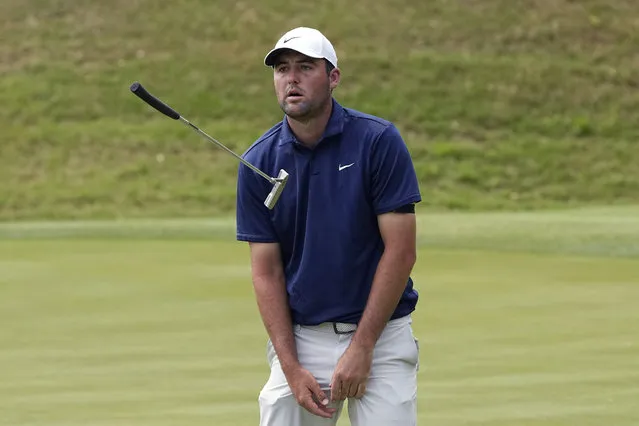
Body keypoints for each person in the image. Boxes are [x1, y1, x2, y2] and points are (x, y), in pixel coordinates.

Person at [235, 26, 422, 426]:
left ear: (333, 77)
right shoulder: (258, 161)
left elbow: (401, 250)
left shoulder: (377, 141)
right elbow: (265, 272)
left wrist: (363, 346)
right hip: (302, 342)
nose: (292, 78)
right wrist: (290, 366)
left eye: (305, 67)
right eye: (282, 69)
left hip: (382, 338)